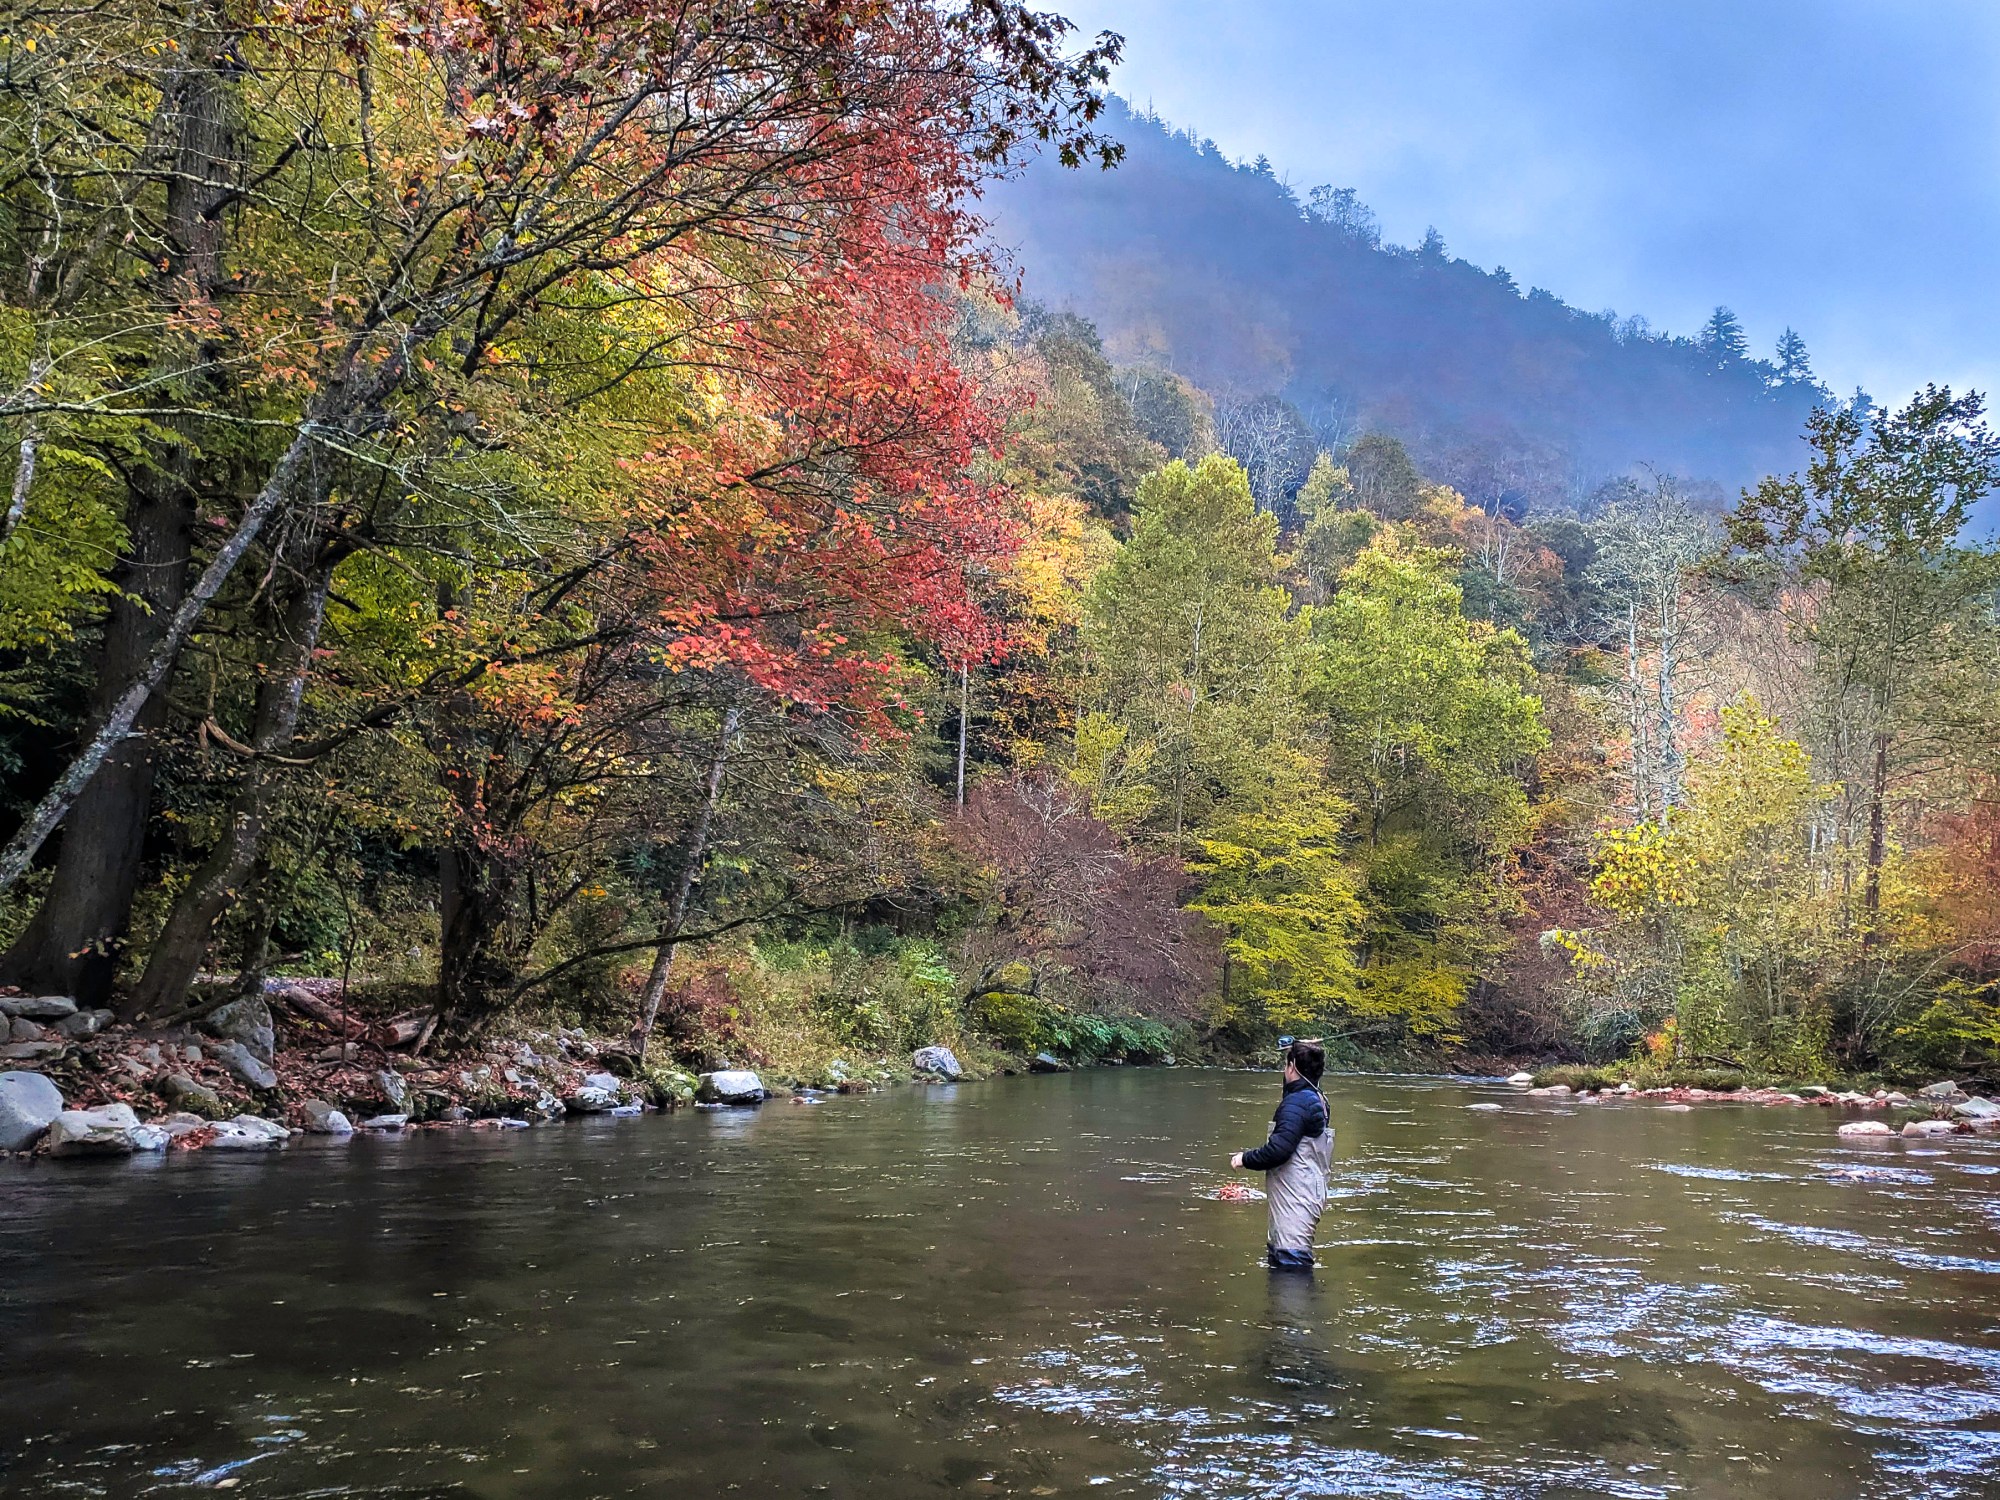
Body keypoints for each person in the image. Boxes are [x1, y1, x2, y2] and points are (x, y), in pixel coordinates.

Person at [1230, 1038, 1332, 1270]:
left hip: (1295, 1201)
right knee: (1285, 1269)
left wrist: (1244, 1159)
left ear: (1292, 1068)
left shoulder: (1297, 1104)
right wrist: (1301, 1050)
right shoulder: (1314, 1098)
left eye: (1286, 1065)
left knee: (1290, 1275)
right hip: (1304, 1195)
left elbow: (1278, 1151)